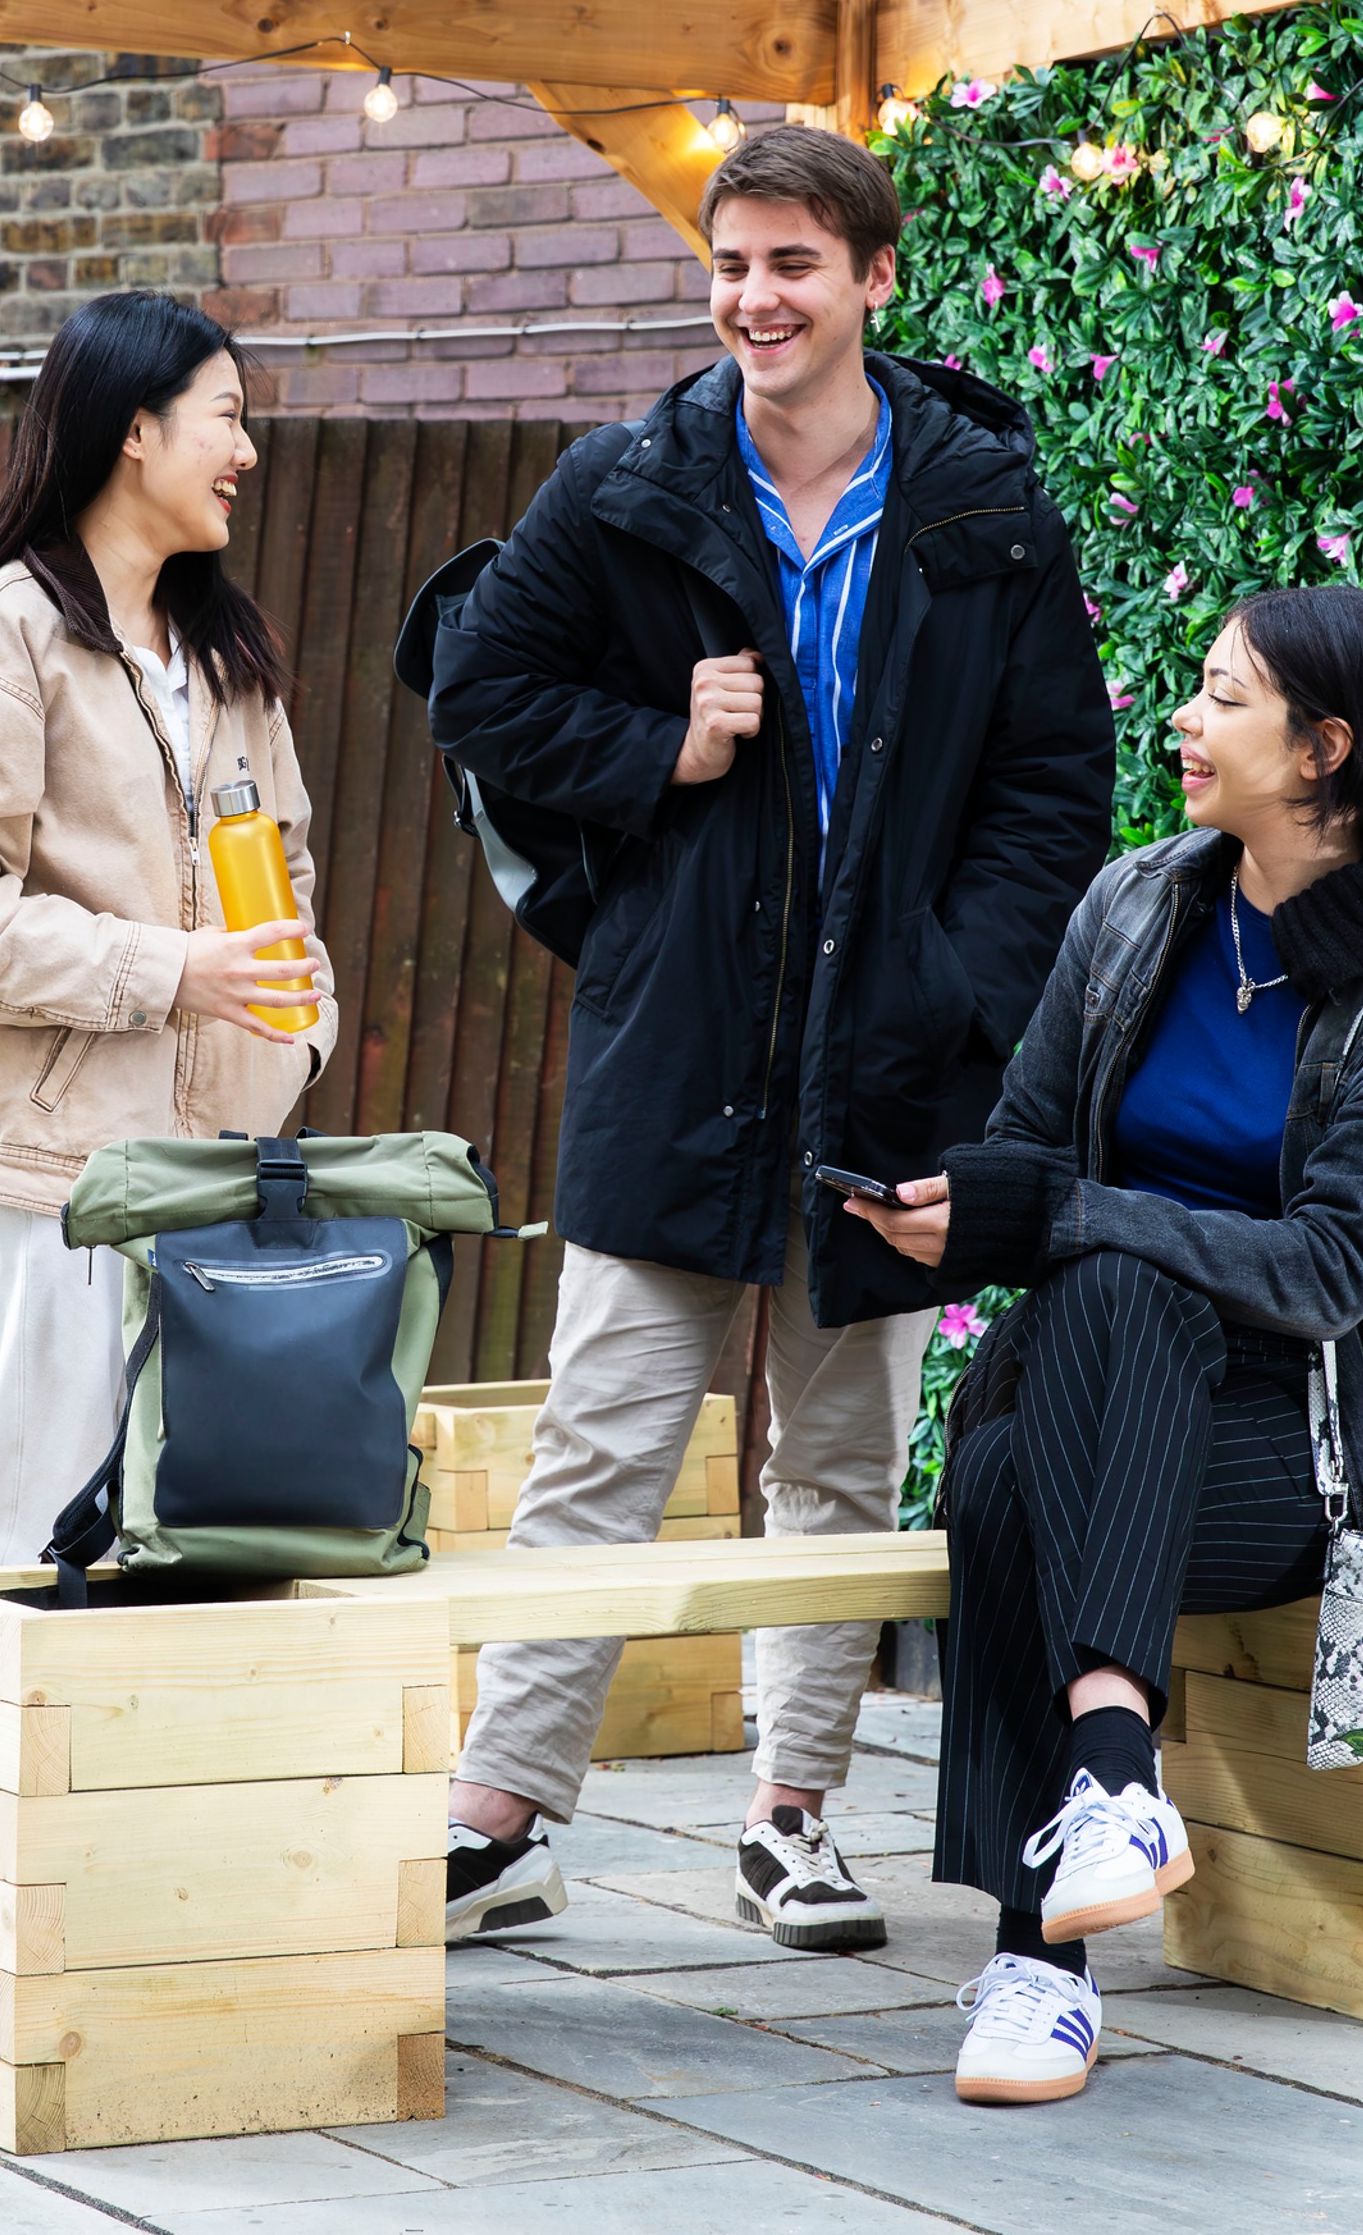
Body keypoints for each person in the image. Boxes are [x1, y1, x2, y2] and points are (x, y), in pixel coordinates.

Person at [425, 123, 1116, 1951]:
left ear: (875, 280)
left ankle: (794, 1817)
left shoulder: (983, 510)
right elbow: (485, 687)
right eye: (733, 263)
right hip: (677, 1054)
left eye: (796, 263)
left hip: (890, 1070)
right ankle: (502, 1812)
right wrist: (665, 742)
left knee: (837, 1459)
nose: (757, 298)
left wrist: (958, 990)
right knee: (601, 1443)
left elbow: (1057, 787)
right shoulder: (631, 481)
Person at [846, 586, 1363, 2107]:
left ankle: (1040, 1959)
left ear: (1326, 749)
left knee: (1059, 1386)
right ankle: (1105, 1807)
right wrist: (962, 1211)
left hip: (1309, 1448)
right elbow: (1026, 1155)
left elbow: (1329, 1271)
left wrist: (1077, 1220)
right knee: (1017, 1450)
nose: (1185, 721)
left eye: (1225, 697)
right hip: (1101, 1398)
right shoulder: (1140, 905)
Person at [0, 293, 338, 1568]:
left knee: (203, 1575)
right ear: (135, 428)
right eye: (226, 417)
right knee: (25, 1573)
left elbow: (284, 888)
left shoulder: (228, 659)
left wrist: (296, 1044)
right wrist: (168, 972)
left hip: (225, 1193)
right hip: (52, 1197)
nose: (247, 452)